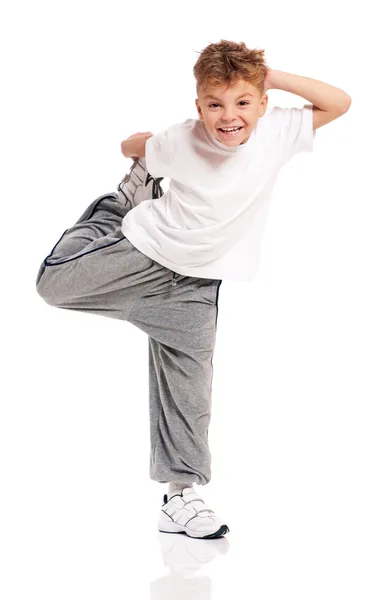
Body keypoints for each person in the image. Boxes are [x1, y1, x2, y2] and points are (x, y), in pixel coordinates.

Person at [36, 39, 350, 539]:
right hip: (144, 254)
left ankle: (181, 497)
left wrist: (271, 75)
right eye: (215, 104)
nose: (229, 117)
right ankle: (117, 207)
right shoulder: (179, 140)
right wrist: (138, 153)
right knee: (52, 285)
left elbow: (339, 102)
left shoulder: (280, 131)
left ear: (262, 103)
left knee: (191, 392)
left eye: (243, 102)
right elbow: (131, 146)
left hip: (196, 286)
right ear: (198, 105)